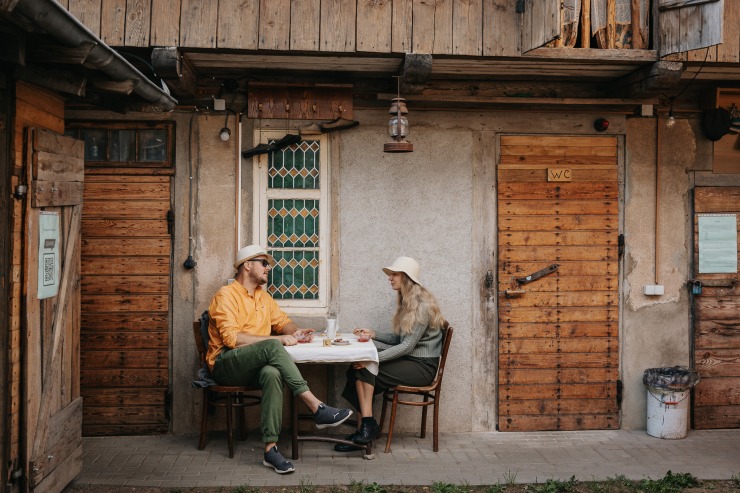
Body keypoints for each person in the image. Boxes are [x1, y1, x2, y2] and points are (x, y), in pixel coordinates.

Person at [207, 244, 352, 473]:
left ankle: (270, 450)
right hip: (226, 363)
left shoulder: (264, 298)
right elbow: (231, 338)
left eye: (268, 264)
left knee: (272, 373)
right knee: (274, 346)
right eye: (264, 263)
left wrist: (295, 332)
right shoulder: (226, 295)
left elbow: (283, 323)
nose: (268, 268)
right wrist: (276, 340)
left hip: (253, 365)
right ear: (247, 265)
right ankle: (317, 407)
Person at [334, 256, 446, 452]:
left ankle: (367, 428)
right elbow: (400, 339)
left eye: (395, 274)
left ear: (407, 278)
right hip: (411, 361)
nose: (390, 278)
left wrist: (373, 358)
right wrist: (374, 334)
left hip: (422, 367)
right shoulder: (408, 301)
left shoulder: (420, 306)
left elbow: (406, 347)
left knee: (366, 368)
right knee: (356, 369)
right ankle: (365, 430)